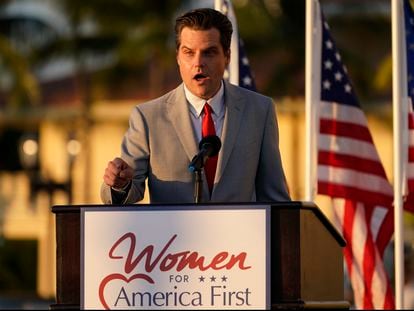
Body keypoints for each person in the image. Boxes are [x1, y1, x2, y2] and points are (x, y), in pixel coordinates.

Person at [101, 7, 290, 204]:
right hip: (172, 235)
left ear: (227, 56)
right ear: (178, 57)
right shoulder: (147, 117)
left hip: (239, 235)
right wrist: (120, 184)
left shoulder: (259, 110)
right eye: (189, 53)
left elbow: (274, 197)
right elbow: (128, 189)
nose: (198, 63)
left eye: (209, 53)